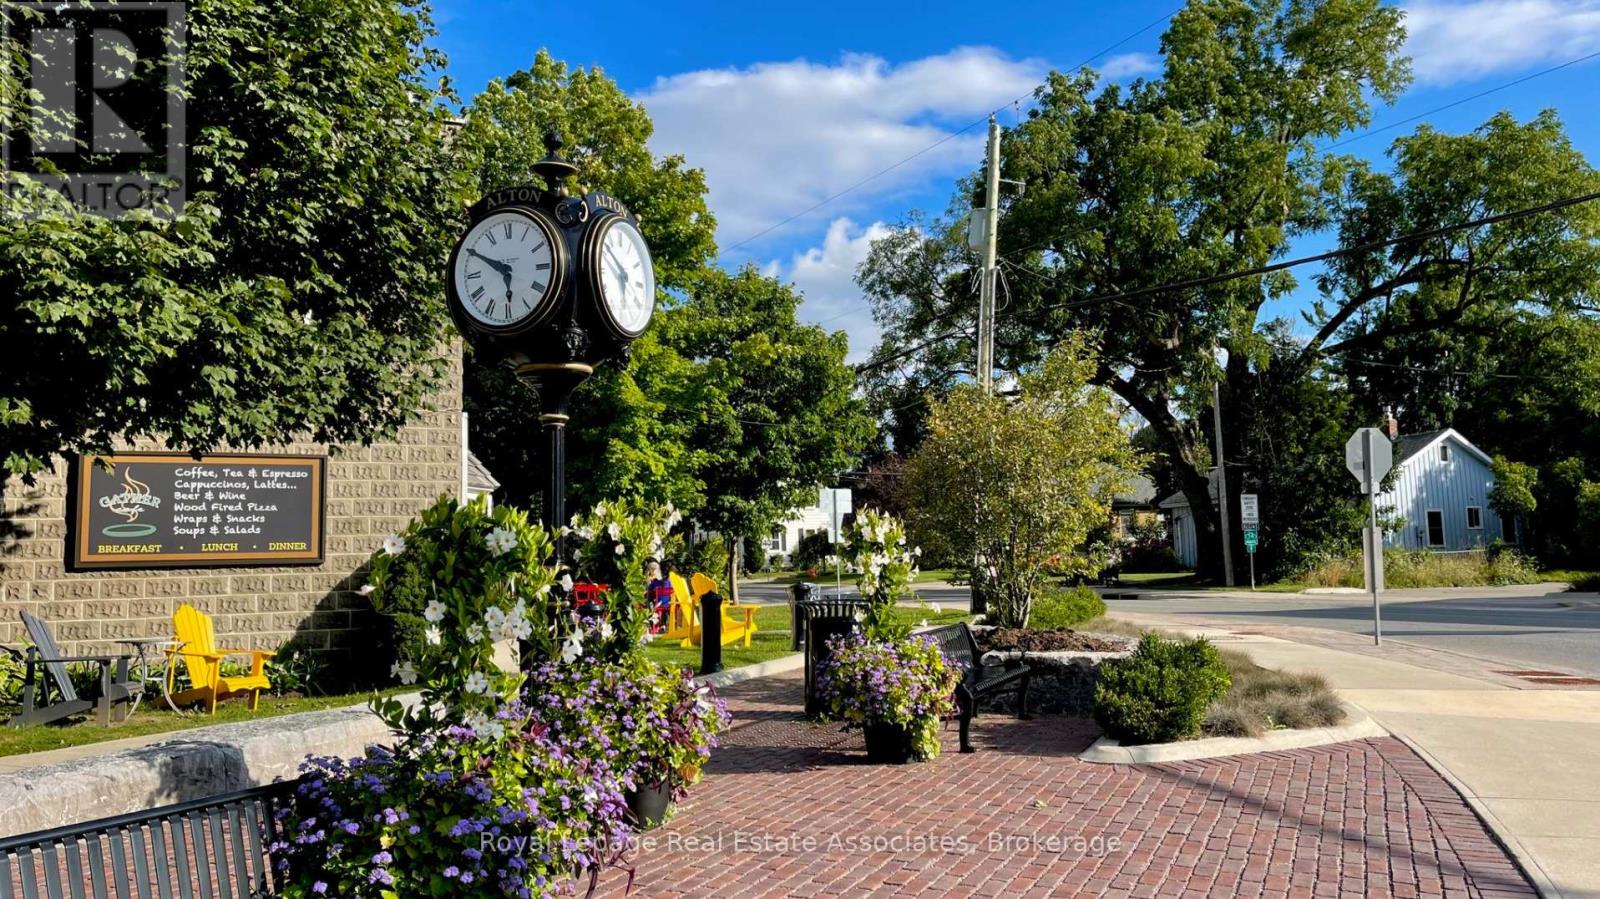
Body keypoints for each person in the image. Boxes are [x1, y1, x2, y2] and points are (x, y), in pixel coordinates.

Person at [645, 558, 674, 633]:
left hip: (658, 605)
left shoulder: (655, 582)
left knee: (650, 601)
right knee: (663, 607)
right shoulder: (671, 582)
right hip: (669, 604)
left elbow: (649, 589)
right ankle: (663, 625)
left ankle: (653, 625)